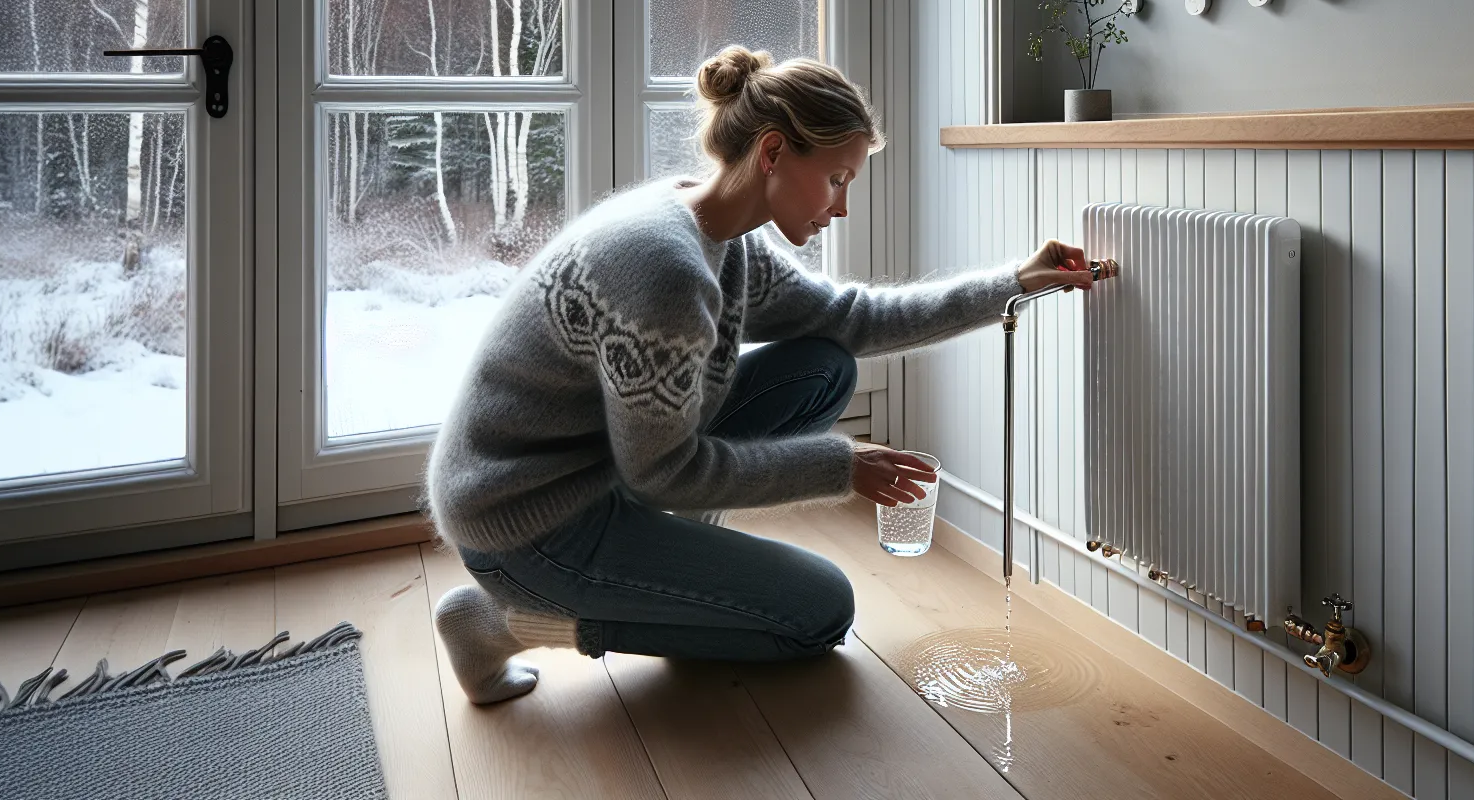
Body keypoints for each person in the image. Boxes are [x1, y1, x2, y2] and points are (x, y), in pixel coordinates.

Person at [427, 44, 1092, 704]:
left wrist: (1014, 282)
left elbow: (850, 318)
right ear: (773, 153)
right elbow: (663, 473)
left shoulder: (721, 234)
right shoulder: (666, 274)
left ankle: (683, 586)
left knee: (822, 367)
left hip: (599, 468)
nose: (842, 207)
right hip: (526, 521)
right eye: (837, 179)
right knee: (818, 614)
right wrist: (842, 466)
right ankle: (499, 623)